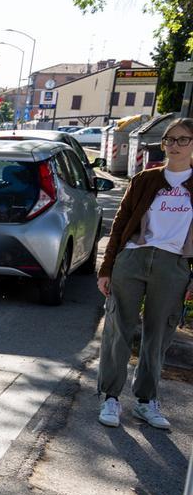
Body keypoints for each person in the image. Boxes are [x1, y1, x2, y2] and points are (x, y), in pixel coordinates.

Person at [96, 116, 193, 430]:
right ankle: (111, 398)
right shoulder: (144, 180)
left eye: (183, 139)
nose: (175, 145)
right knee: (118, 329)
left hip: (173, 265)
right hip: (133, 259)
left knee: (159, 335)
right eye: (170, 139)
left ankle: (145, 401)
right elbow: (120, 225)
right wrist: (107, 268)